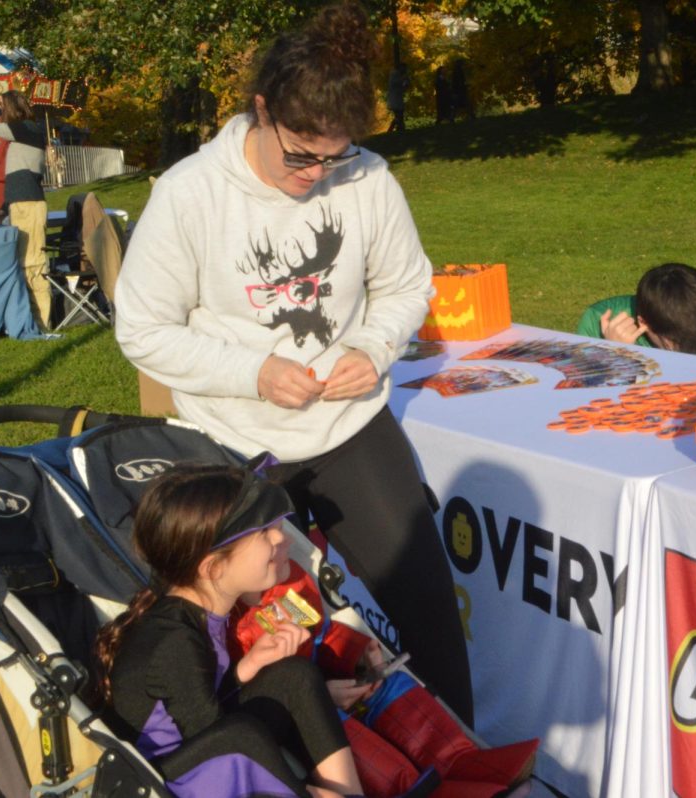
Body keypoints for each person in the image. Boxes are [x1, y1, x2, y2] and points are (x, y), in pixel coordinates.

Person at [113, 3, 475, 728]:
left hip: (348, 425)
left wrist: (371, 350)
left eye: (333, 157)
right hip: (235, 444)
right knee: (270, 634)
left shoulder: (367, 180)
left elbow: (407, 286)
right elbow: (143, 330)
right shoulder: (189, 193)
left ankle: (462, 752)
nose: (316, 174)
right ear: (260, 112)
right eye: (301, 156)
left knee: (426, 604)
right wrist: (253, 372)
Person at [95, 465, 367, 798]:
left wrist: (247, 668)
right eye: (265, 533)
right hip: (164, 784)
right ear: (214, 568)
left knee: (295, 677)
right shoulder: (173, 643)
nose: (281, 536)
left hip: (203, 750)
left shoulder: (196, 613)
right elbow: (222, 748)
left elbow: (197, 708)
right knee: (242, 735)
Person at [230, 559, 539, 798]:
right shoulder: (227, 631)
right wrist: (318, 695)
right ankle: (418, 791)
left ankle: (467, 767)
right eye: (265, 534)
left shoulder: (285, 587)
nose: (281, 537)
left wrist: (359, 655)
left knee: (394, 688)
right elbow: (254, 699)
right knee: (352, 743)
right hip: (295, 714)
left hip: (329, 685)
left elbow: (321, 636)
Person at [575, 262, 696, 362]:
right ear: (644, 323)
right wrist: (615, 354)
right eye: (676, 343)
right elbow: (580, 398)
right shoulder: (598, 322)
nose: (687, 353)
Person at [0, 90, 49, 328]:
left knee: (32, 262)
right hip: (22, 202)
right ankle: (32, 317)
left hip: (27, 204)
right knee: (27, 260)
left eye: (3, 109)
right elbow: (17, 173)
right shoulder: (27, 132)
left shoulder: (23, 129)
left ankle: (41, 321)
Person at [387, 64, 409, 133]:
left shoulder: (398, 76)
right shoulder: (394, 75)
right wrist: (404, 79)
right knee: (398, 115)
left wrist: (406, 83)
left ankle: (399, 129)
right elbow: (396, 83)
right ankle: (396, 129)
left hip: (398, 98)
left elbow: (403, 88)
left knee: (399, 115)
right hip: (395, 99)